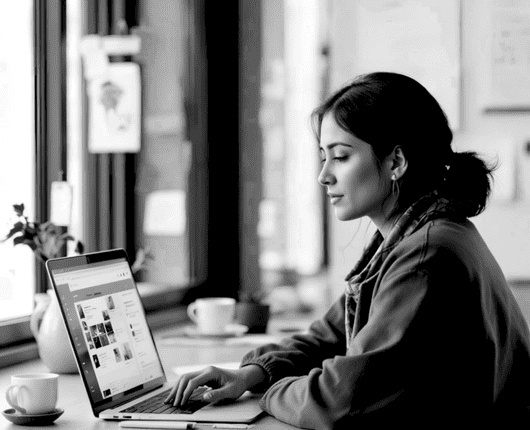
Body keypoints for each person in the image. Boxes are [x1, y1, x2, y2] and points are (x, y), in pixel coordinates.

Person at [165, 72, 530, 426]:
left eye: (340, 156)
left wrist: (269, 391)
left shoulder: (427, 255)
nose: (324, 175)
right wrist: (250, 373)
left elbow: (340, 400)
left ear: (396, 163)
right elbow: (329, 336)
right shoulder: (409, 237)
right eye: (323, 156)